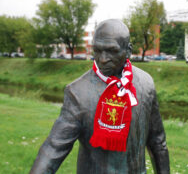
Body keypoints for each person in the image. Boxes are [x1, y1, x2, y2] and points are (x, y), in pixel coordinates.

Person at [30, 19, 170, 174]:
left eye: (112, 51)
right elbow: (53, 148)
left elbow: (158, 142)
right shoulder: (78, 93)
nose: (103, 59)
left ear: (128, 51)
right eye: (97, 50)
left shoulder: (146, 84)